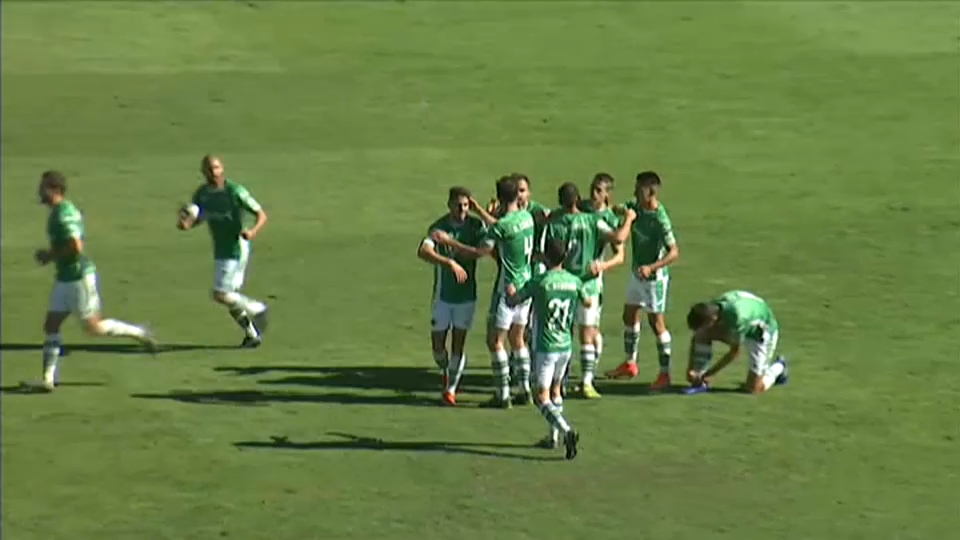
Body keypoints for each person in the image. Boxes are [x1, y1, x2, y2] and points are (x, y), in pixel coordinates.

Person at [34, 170, 157, 391]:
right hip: (64, 278)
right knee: (51, 324)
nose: (38, 191)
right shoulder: (57, 212)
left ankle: (139, 332)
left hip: (79, 278)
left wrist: (49, 256)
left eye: (42, 187)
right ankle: (47, 379)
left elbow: (76, 245)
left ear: (53, 189)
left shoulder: (64, 214)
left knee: (94, 328)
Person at [432, 176, 534, 408]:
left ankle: (503, 394)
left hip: (507, 288)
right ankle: (525, 389)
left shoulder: (500, 227)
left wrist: (451, 243)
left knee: (495, 340)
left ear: (499, 198)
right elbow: (502, 226)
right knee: (517, 339)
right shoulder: (526, 217)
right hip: (526, 286)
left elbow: (480, 251)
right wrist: (479, 210)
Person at [506, 238, 590, 459]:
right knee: (556, 391)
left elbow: (515, 300)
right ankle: (552, 438)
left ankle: (566, 431)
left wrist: (510, 290)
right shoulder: (574, 281)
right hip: (565, 345)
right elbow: (588, 302)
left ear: (545, 256)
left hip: (545, 345)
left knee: (542, 397)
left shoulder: (540, 281)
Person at [178, 155, 269, 348]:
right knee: (230, 299)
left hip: (236, 247)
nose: (214, 172)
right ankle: (252, 335)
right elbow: (200, 217)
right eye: (209, 169)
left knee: (220, 294)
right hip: (220, 249)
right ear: (203, 172)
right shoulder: (202, 194)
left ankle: (258, 309)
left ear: (223, 169)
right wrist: (186, 224)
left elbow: (261, 215)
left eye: (216, 168)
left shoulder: (235, 191)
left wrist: (252, 231)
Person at [543, 182, 623, 399]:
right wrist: (628, 219)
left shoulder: (556, 224)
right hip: (589, 283)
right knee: (587, 334)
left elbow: (549, 252)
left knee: (564, 333)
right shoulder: (592, 221)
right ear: (578, 200)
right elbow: (617, 238)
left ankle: (560, 380)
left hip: (565, 284)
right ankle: (587, 382)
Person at [606, 171, 680, 390]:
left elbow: (674, 252)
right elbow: (622, 208)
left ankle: (665, 374)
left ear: (650, 192)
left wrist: (653, 267)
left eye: (638, 190)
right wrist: (611, 206)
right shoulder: (635, 207)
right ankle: (630, 363)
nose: (634, 193)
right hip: (637, 273)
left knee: (656, 324)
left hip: (654, 279)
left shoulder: (660, 218)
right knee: (629, 314)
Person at [417, 187, 488, 406]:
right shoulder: (439, 227)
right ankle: (447, 371)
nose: (462, 209)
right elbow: (423, 251)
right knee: (438, 347)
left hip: (466, 296)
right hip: (442, 297)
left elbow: (480, 253)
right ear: (449, 204)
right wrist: (448, 261)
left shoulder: (476, 226)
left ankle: (451, 390)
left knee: (459, 343)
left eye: (466, 205)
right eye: (458, 205)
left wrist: (450, 244)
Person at [684, 290, 789, 394]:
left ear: (713, 319)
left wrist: (709, 374)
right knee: (703, 335)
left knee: (754, 388)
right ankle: (699, 378)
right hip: (742, 318)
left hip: (761, 333)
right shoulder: (712, 308)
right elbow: (697, 337)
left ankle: (779, 367)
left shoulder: (737, 318)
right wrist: (691, 369)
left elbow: (734, 352)